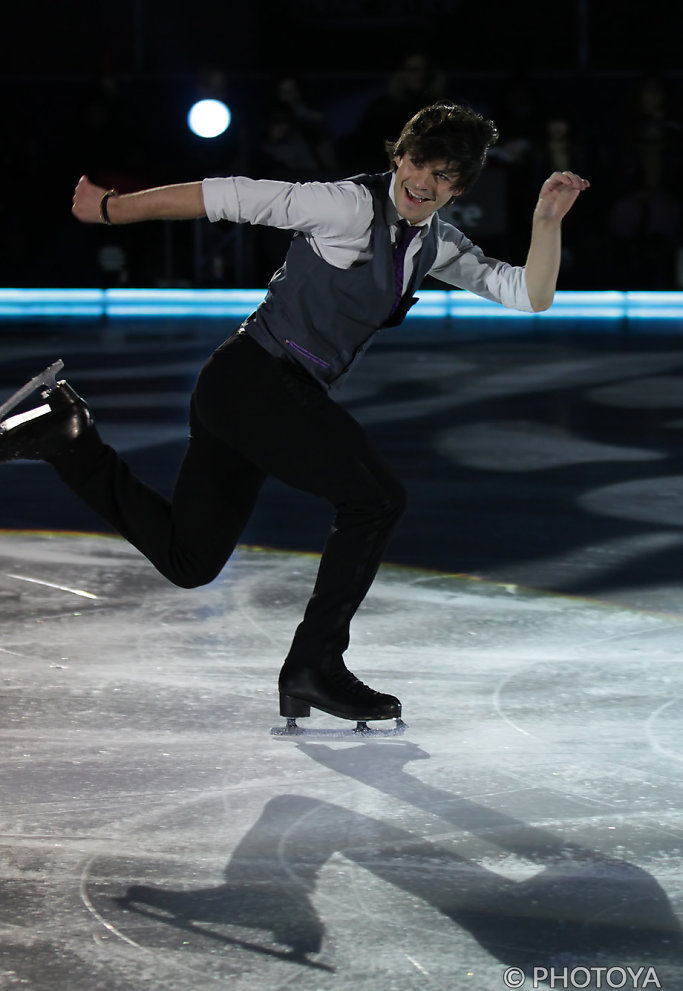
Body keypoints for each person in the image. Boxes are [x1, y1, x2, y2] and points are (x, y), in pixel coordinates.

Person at [0, 102, 589, 729]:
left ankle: (66, 438)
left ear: (462, 187)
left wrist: (546, 220)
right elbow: (224, 196)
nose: (425, 183)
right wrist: (110, 208)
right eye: (420, 163)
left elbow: (530, 294)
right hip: (255, 380)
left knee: (189, 561)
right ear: (399, 155)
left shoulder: (435, 243)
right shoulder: (346, 206)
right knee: (376, 499)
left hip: (252, 392)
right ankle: (315, 665)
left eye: (446, 177)